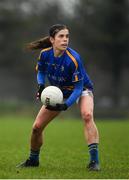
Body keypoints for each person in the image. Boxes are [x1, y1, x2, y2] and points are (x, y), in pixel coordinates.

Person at [17, 24, 100, 171]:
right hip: (59, 92)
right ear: (52, 39)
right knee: (36, 128)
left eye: (67, 36)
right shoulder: (45, 54)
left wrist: (65, 105)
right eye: (61, 36)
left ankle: (94, 162)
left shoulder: (74, 59)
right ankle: (33, 160)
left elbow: (79, 88)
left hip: (81, 90)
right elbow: (41, 72)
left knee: (87, 115)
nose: (65, 40)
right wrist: (41, 86)